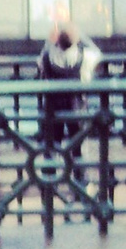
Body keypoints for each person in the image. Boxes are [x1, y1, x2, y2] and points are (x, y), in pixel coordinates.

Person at [36, 10, 89, 147]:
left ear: (58, 39)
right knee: (77, 141)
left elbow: (41, 64)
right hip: (75, 104)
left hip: (53, 104)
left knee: (53, 141)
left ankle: (51, 167)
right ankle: (78, 166)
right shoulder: (82, 56)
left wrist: (50, 42)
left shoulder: (48, 55)